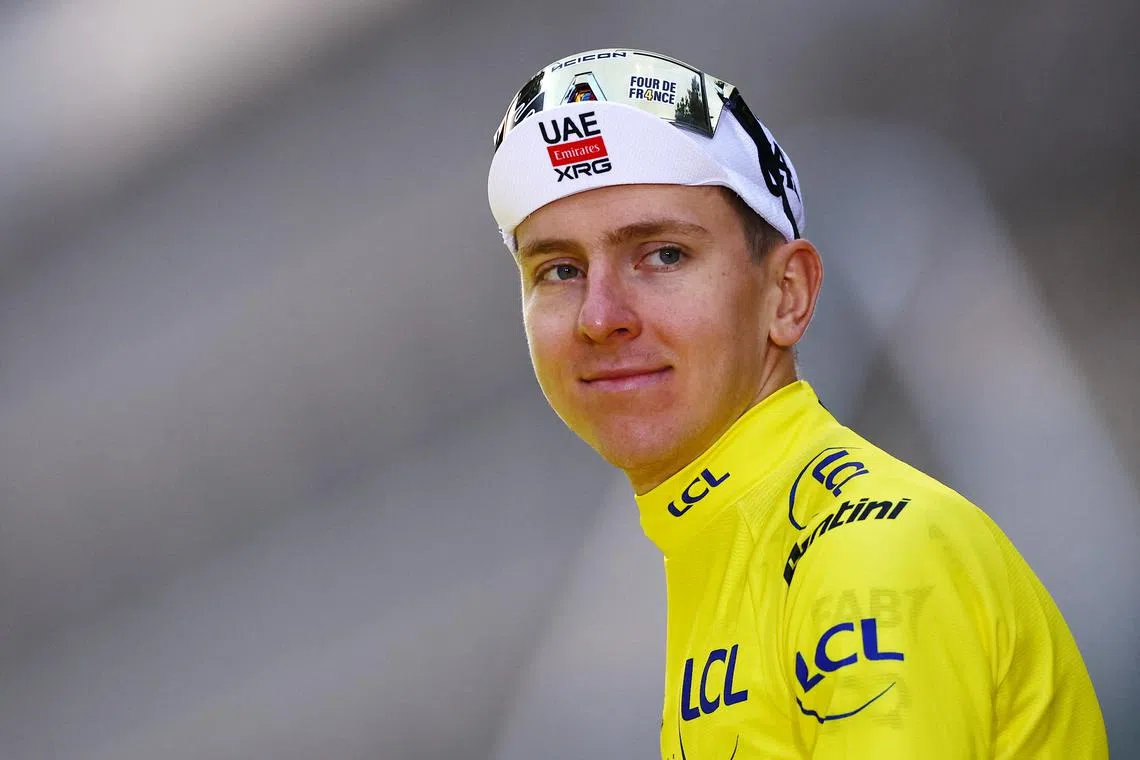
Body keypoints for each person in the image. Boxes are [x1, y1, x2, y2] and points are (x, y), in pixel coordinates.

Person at [486, 48, 1108, 759]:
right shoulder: (737, 546)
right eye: (560, 270)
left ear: (788, 295)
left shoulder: (863, 556)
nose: (601, 316)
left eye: (663, 255)